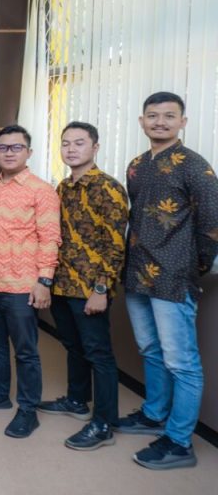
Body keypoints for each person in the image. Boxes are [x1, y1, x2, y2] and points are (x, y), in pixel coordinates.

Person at [116, 92, 218, 470]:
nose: (160, 122)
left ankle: (178, 442)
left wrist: (192, 266)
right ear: (142, 121)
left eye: (169, 116)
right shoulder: (136, 166)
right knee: (150, 349)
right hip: (137, 273)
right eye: (153, 115)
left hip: (173, 277)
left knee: (182, 362)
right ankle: (154, 414)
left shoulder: (195, 166)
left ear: (183, 122)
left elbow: (212, 224)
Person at [0, 124, 60, 439]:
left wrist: (44, 280)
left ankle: (28, 409)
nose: (9, 153)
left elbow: (50, 238)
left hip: (22, 286)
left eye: (16, 147)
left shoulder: (41, 191)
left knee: (25, 351)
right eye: (3, 147)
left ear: (28, 152)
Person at [39, 122, 126, 450]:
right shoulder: (63, 187)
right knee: (73, 347)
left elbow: (115, 245)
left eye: (79, 143)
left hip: (90, 288)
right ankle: (77, 400)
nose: (71, 149)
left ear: (95, 147)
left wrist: (101, 290)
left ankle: (103, 423)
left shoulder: (108, 188)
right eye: (66, 143)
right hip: (63, 285)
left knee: (98, 354)